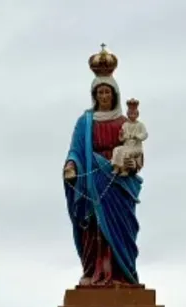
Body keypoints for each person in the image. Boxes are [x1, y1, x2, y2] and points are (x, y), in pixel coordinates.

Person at [62, 45, 144, 286]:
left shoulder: (124, 122)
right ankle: (94, 272)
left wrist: (133, 161)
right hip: (92, 182)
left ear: (114, 95)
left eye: (108, 93)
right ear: (95, 95)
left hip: (118, 183)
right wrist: (71, 166)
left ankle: (122, 274)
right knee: (95, 228)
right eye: (100, 93)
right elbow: (76, 150)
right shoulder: (85, 122)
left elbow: (136, 151)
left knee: (120, 228)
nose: (104, 97)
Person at [110, 98, 148, 177]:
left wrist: (137, 136)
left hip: (136, 148)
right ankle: (116, 168)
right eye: (130, 113)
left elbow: (145, 134)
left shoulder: (140, 125)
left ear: (137, 114)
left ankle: (125, 170)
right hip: (127, 146)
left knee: (127, 153)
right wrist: (121, 135)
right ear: (128, 114)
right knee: (117, 149)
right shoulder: (125, 125)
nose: (132, 115)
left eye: (134, 113)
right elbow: (122, 139)